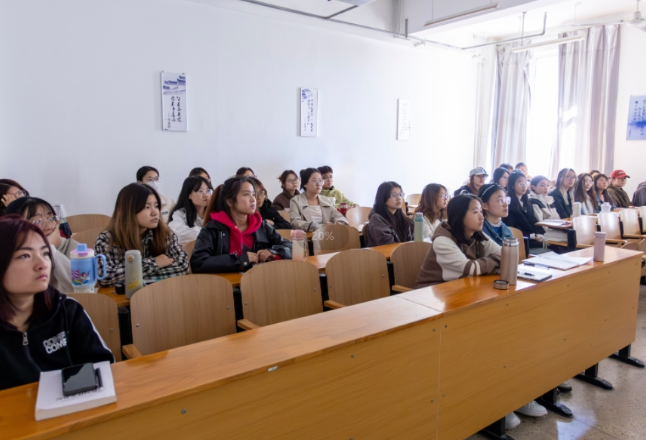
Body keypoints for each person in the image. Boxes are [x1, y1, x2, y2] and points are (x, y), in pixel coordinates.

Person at [0, 215, 114, 391]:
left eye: (45, 253)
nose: (42, 264)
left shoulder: (67, 310)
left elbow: (102, 366)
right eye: (25, 255)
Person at [190, 176, 291, 274]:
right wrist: (239, 260)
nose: (253, 199)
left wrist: (273, 253)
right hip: (227, 288)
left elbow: (290, 247)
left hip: (259, 284)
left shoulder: (260, 225)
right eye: (246, 194)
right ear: (230, 201)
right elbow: (198, 262)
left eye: (253, 194)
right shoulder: (213, 229)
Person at [95, 183, 189, 287]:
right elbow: (105, 277)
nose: (155, 212)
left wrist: (132, 276)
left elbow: (183, 266)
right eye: (147, 207)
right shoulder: (107, 239)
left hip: (160, 296)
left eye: (157, 206)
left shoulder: (166, 234)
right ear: (128, 210)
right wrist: (155, 263)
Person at [415, 194, 501, 289]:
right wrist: (497, 260)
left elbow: (506, 254)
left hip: (459, 288)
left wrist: (494, 261)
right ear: (460, 214)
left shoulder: (477, 234)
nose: (482, 217)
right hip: (431, 294)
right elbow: (471, 269)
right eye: (476, 212)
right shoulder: (442, 240)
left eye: (481, 212)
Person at [4, 197, 76, 293]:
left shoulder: (73, 248)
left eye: (51, 218)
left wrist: (50, 249)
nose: (48, 226)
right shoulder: (10, 255)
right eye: (37, 221)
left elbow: (78, 287)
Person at [504, 171, 546, 249]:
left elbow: (534, 222)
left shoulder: (527, 203)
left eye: (525, 183)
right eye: (520, 183)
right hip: (520, 240)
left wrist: (539, 234)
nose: (524, 186)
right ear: (512, 185)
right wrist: (532, 236)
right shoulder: (509, 204)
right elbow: (512, 228)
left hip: (532, 238)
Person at [168, 176, 213, 246]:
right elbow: (176, 233)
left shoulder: (214, 212)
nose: (205, 195)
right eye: (200, 191)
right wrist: (207, 234)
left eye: (207, 191)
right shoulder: (180, 213)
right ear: (189, 195)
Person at [365, 182, 413, 247]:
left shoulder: (401, 215)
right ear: (383, 198)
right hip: (384, 256)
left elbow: (411, 239)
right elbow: (388, 245)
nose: (399, 198)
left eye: (400, 194)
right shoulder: (376, 219)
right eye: (394, 195)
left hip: (402, 253)